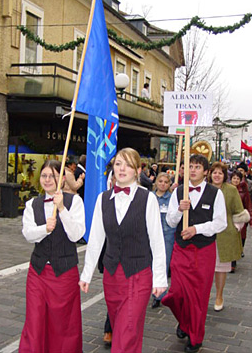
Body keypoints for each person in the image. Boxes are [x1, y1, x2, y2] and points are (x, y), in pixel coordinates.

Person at [79, 147, 167, 353]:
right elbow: (96, 239)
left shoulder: (148, 199)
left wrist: (160, 278)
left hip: (138, 274)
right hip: (111, 276)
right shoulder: (103, 198)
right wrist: (86, 273)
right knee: (123, 328)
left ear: (137, 170)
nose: (122, 168)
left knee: (126, 331)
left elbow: (157, 240)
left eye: (127, 164)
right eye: (118, 163)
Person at [19, 159, 85, 353]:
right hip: (38, 272)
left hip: (64, 272)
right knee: (34, 320)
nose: (47, 180)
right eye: (44, 175)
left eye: (53, 176)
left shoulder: (75, 202)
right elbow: (28, 234)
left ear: (62, 179)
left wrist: (62, 209)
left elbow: (77, 234)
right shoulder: (32, 204)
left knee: (63, 324)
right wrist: (44, 229)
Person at [163, 154, 227, 353]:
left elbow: (221, 223)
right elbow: (170, 222)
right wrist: (180, 211)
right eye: (189, 166)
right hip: (181, 250)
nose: (193, 170)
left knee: (198, 297)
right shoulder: (179, 191)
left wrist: (196, 229)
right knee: (176, 293)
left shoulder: (215, 194)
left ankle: (195, 337)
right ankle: (184, 321)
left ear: (205, 171)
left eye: (197, 167)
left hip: (204, 251)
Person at [208, 162, 247, 310]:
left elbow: (239, 211)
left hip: (225, 234)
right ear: (209, 174)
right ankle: (204, 295)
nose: (217, 175)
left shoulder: (231, 190)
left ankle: (219, 295)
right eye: (214, 172)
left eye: (220, 173)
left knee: (221, 268)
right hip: (205, 233)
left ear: (225, 176)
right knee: (204, 268)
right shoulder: (205, 189)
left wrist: (236, 227)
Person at [151, 172, 175, 308]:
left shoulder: (171, 198)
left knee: (163, 265)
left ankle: (159, 295)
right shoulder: (150, 197)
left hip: (167, 236)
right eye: (160, 181)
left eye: (166, 182)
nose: (163, 184)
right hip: (151, 235)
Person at [231, 170, 252, 257]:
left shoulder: (244, 190)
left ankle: (239, 250)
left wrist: (250, 218)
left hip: (240, 217)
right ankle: (233, 260)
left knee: (241, 237)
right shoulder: (226, 189)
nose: (235, 180)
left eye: (237, 178)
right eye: (234, 178)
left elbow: (248, 204)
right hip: (229, 218)